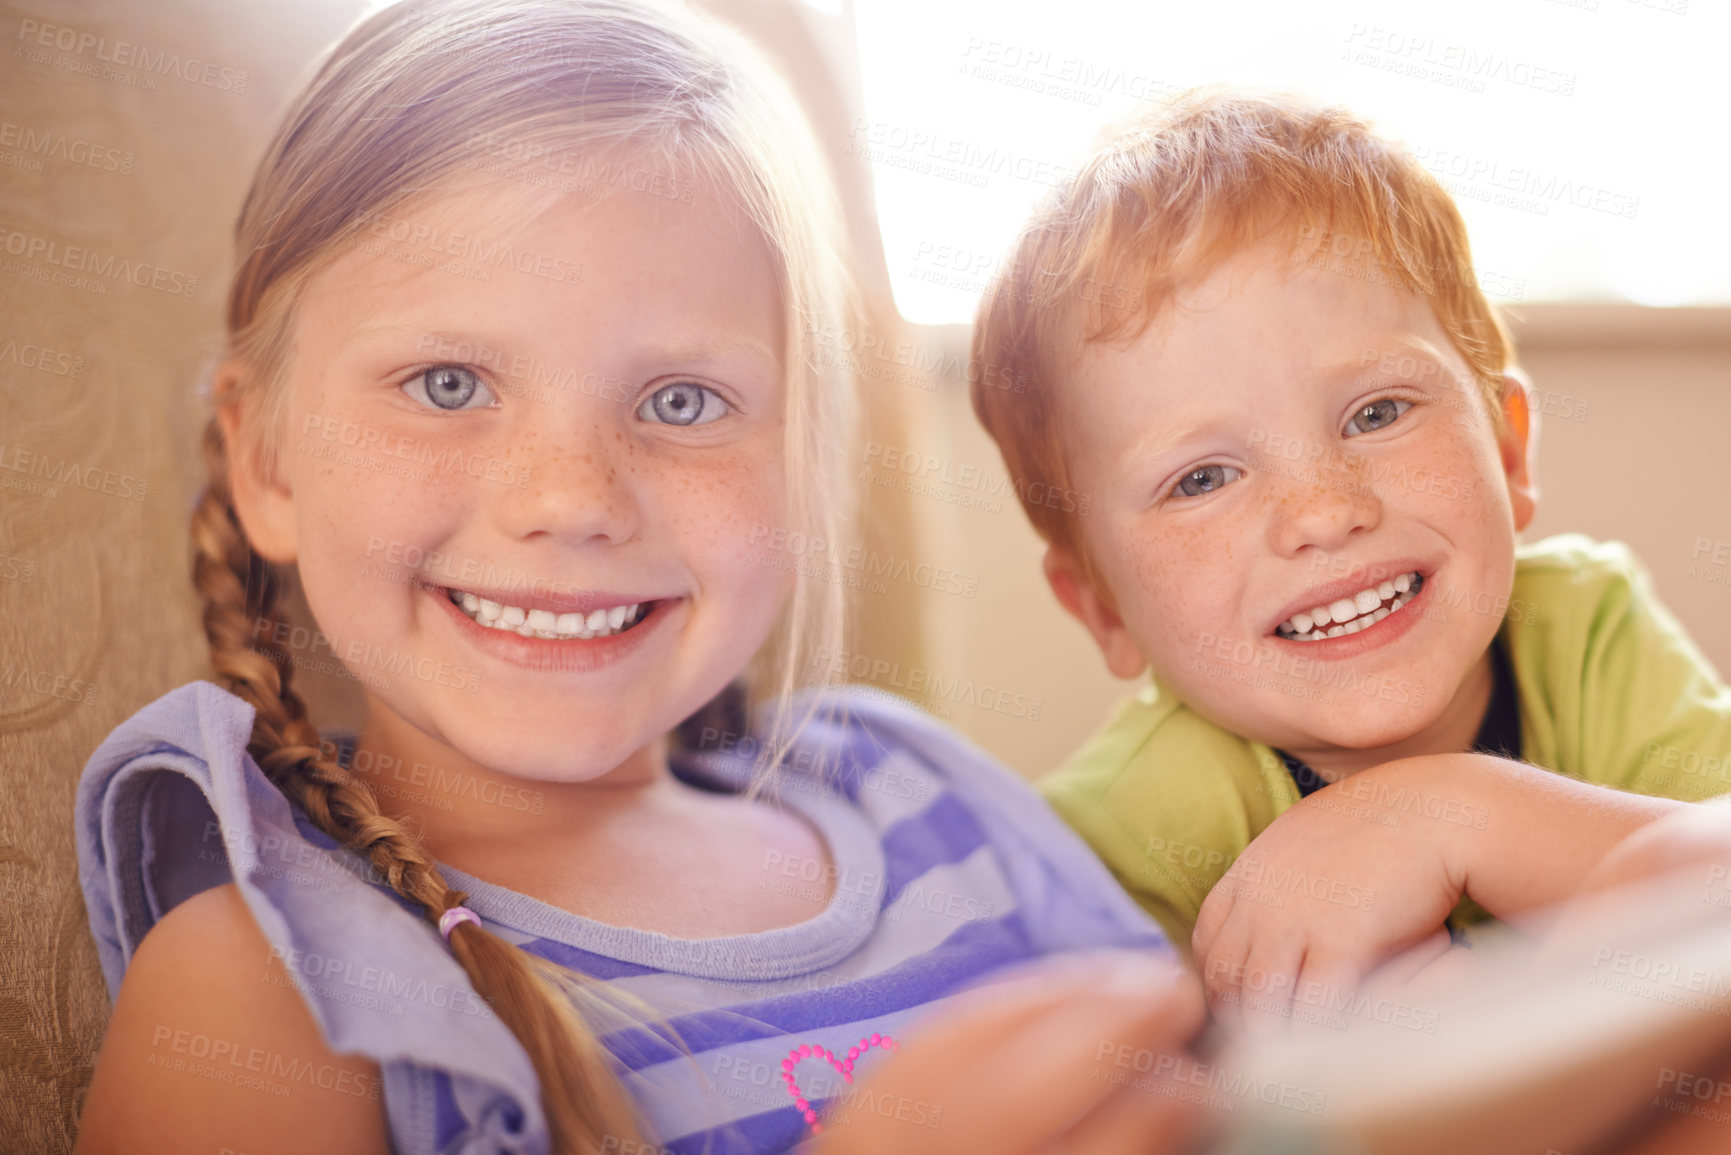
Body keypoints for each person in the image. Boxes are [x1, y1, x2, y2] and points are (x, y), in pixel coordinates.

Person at [70, 3, 1205, 1152]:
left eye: (681, 402)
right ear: (267, 460)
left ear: (804, 470)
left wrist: (1385, 821)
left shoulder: (924, 800)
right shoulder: (271, 983)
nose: (570, 499)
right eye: (449, 385)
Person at [967, 88, 1731, 1020]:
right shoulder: (1116, 840)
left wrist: (1457, 812)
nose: (1323, 512)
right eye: (1201, 478)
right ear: (1103, 610)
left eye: (1377, 413)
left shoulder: (1583, 626)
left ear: (1507, 450)